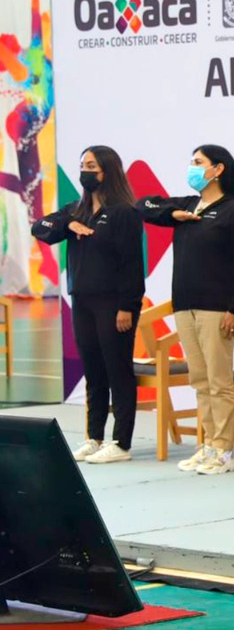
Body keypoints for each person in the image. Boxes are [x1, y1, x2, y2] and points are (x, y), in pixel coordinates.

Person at [139, 145, 234, 475]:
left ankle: (224, 450)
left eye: (198, 162)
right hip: (185, 305)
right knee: (200, 380)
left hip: (217, 308)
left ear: (218, 169)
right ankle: (207, 445)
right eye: (191, 162)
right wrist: (172, 215)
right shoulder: (187, 206)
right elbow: (143, 205)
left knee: (218, 381)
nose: (192, 168)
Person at [32, 145, 144, 464]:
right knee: (93, 371)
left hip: (114, 303)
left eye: (91, 166)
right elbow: (39, 228)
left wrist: (128, 305)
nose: (85, 171)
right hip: (82, 300)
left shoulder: (124, 212)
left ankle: (121, 442)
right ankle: (94, 437)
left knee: (117, 370)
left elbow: (132, 263)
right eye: (82, 165)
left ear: (107, 171)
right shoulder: (75, 211)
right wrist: (67, 225)